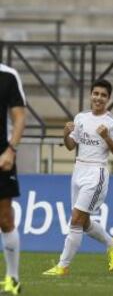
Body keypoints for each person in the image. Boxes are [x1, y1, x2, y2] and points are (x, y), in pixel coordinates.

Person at [43, 79, 113, 276]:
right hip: (78, 169)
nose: (98, 98)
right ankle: (111, 243)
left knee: (76, 220)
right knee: (85, 223)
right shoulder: (80, 117)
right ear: (90, 95)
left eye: (103, 95)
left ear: (108, 99)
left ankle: (63, 265)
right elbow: (71, 146)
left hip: (97, 173)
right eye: (95, 93)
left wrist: (106, 137)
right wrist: (65, 134)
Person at [0, 63, 26, 295]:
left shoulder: (8, 75)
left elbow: (19, 117)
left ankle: (13, 277)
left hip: (1, 155)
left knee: (5, 218)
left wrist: (11, 150)